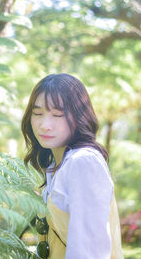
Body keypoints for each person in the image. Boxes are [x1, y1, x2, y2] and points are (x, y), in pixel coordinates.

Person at [21, 73, 124, 259]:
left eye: (57, 115)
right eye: (37, 114)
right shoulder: (57, 164)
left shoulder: (84, 162)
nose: (45, 125)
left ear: (79, 117)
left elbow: (89, 251)